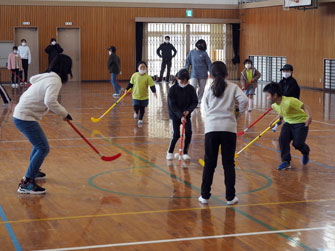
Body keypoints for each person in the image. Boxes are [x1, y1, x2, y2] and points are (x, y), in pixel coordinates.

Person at [13, 54, 73, 194]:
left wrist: (62, 113)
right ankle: (27, 182)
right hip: (25, 117)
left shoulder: (47, 77)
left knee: (38, 145)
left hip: (23, 115)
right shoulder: (54, 80)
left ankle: (33, 171)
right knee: (43, 147)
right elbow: (50, 101)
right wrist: (64, 113)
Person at [199, 61, 248, 205]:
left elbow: (205, 107)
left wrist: (212, 118)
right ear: (226, 74)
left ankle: (204, 196)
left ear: (211, 75)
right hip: (228, 129)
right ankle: (230, 197)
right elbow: (244, 101)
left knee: (209, 163)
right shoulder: (233, 87)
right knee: (228, 164)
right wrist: (236, 115)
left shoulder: (208, 89)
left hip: (211, 130)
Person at [263, 82, 312, 170]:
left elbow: (304, 106)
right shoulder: (274, 105)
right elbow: (282, 113)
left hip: (300, 122)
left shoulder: (290, 101)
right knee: (282, 140)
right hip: (288, 123)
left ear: (274, 95)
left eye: (267, 95)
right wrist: (273, 121)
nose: (266, 98)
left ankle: (306, 151)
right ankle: (286, 161)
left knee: (297, 144)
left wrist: (309, 116)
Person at [166, 69, 198, 161]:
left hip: (186, 114)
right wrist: (180, 116)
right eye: (181, 81)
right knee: (176, 134)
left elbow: (194, 102)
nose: (184, 83)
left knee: (188, 133)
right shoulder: (172, 90)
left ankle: (185, 152)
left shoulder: (191, 89)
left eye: (186, 81)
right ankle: (170, 152)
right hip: (175, 115)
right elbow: (172, 105)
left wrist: (188, 111)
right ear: (177, 78)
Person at [125, 61, 157, 126]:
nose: (142, 68)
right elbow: (131, 84)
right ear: (138, 68)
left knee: (142, 108)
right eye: (141, 67)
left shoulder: (148, 77)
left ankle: (140, 119)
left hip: (144, 96)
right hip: (136, 96)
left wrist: (154, 92)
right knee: (135, 106)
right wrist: (126, 89)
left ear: (146, 68)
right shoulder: (134, 75)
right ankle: (136, 112)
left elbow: (152, 85)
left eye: (144, 67)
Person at [272, 64, 300, 132]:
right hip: (284, 102)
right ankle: (278, 123)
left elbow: (287, 94)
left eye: (287, 71)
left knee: (285, 116)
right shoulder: (282, 81)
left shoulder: (293, 82)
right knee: (281, 113)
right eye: (284, 71)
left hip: (291, 103)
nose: (285, 72)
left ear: (291, 72)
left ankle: (281, 126)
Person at [185, 39, 212, 107]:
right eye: (200, 44)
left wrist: (211, 72)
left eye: (203, 45)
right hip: (194, 73)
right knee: (193, 87)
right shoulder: (191, 53)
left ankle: (199, 101)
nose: (201, 46)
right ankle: (193, 101)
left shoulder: (204, 53)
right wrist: (185, 71)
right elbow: (188, 63)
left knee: (201, 89)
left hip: (203, 74)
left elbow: (209, 63)